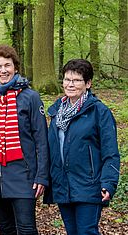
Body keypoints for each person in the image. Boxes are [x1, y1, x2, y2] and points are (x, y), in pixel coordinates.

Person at [0, 44, 49, 235]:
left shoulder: (30, 97)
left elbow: (41, 139)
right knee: (5, 229)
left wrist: (41, 175)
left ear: (15, 67)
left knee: (26, 229)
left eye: (7, 65)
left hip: (23, 176)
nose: (3, 70)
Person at [45, 59, 120, 234]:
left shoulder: (99, 112)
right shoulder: (57, 113)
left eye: (76, 80)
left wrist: (108, 182)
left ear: (88, 83)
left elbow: (110, 152)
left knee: (86, 231)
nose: (70, 84)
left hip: (89, 185)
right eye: (67, 79)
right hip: (63, 186)